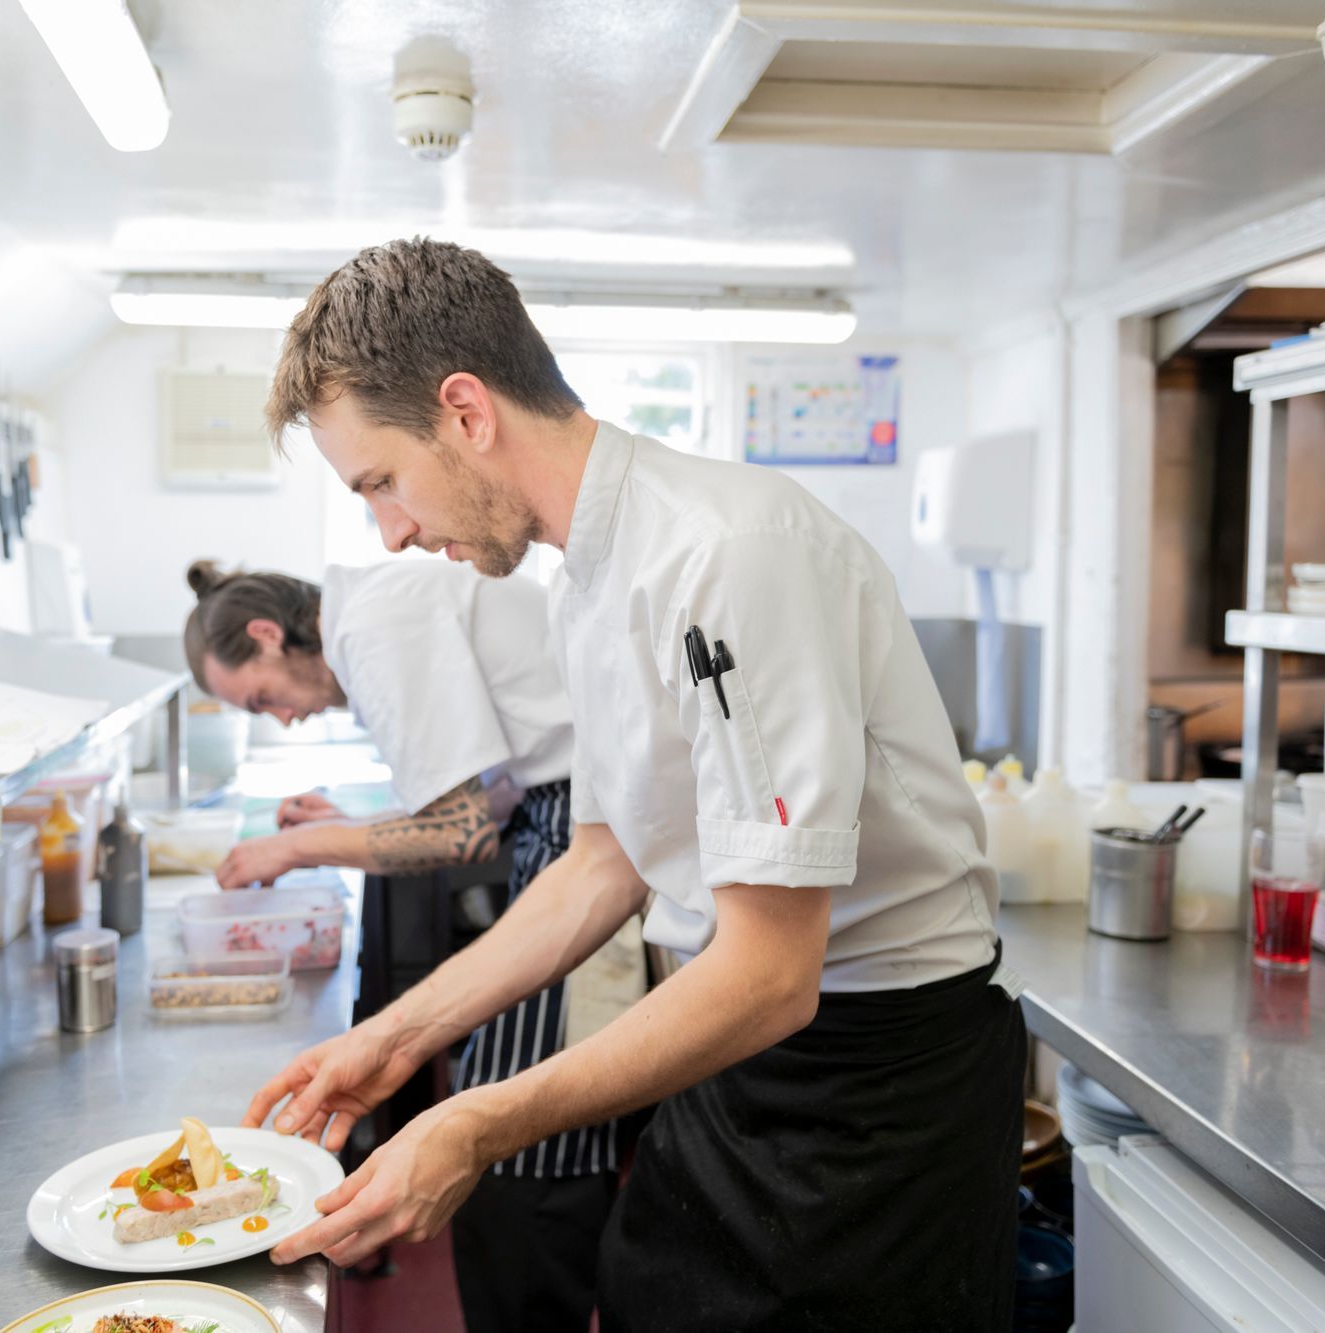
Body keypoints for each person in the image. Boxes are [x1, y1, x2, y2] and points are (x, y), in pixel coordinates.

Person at [240, 238, 1027, 1332]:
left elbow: (772, 972)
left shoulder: (728, 553)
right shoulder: (587, 585)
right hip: (734, 1055)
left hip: (874, 1088)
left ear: (464, 411)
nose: (393, 531)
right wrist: (398, 1039)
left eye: (380, 482)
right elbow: (601, 863)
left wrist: (475, 1123)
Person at [181, 559, 621, 1333]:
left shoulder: (375, 622)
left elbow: (458, 830)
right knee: (513, 1122)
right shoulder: (375, 612)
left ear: (266, 634)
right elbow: (483, 791)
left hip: (586, 842)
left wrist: (305, 846)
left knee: (527, 1148)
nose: (280, 717)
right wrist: (354, 814)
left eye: (262, 696)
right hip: (559, 821)